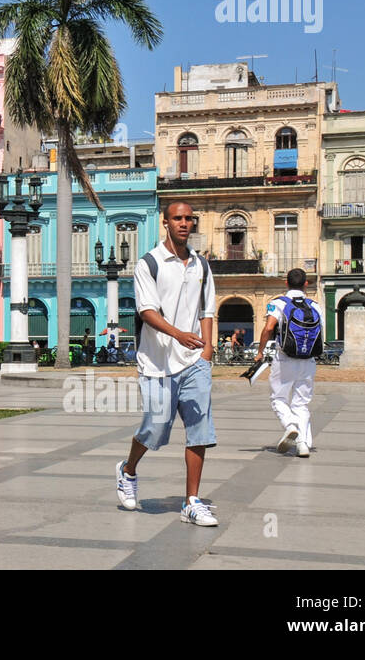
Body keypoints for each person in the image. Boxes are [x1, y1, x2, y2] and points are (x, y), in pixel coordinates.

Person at [116, 199, 218, 527]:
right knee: (156, 429)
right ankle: (128, 470)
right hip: (157, 362)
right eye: (178, 218)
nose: (184, 223)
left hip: (194, 362)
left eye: (189, 218)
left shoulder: (201, 265)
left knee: (199, 430)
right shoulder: (149, 263)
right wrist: (178, 335)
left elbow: (207, 310)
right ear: (166, 222)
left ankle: (192, 502)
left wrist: (207, 350)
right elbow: (147, 311)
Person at [253, 268, 323, 458]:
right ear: (306, 284)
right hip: (308, 360)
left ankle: (291, 427)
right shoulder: (315, 305)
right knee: (301, 404)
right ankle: (304, 444)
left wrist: (260, 352)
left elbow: (268, 328)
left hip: (285, 358)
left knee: (279, 399)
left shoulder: (278, 303)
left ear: (286, 283)